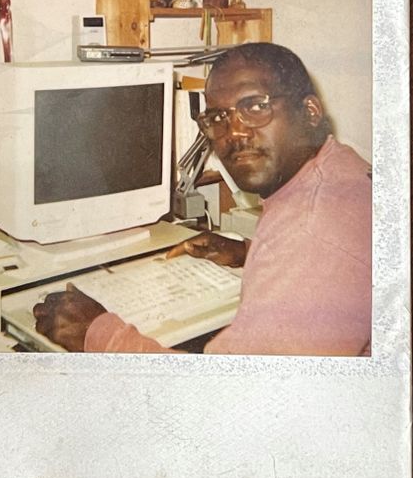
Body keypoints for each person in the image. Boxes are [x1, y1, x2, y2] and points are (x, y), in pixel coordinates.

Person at [33, 43, 372, 357]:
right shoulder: (339, 169)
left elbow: (226, 401)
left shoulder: (312, 235)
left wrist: (96, 332)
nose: (234, 133)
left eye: (255, 106)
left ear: (310, 112)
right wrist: (251, 253)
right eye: (218, 118)